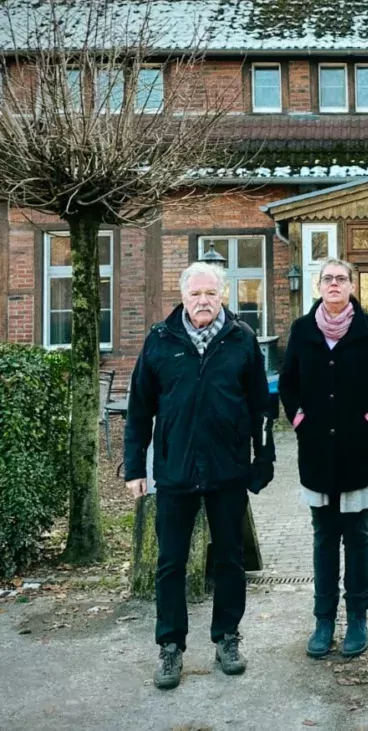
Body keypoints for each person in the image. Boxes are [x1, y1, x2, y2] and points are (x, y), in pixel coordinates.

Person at [124, 261, 275, 690]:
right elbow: (138, 411)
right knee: (170, 562)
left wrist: (262, 462)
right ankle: (170, 646)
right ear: (183, 297)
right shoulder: (160, 341)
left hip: (227, 470)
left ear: (223, 296)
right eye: (195, 295)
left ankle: (227, 637)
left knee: (229, 558)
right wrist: (135, 467)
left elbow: (262, 409)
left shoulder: (241, 341)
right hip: (174, 471)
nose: (203, 301)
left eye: (210, 294)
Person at [279, 258, 368, 659]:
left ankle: (358, 618)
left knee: (358, 535)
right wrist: (298, 418)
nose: (334, 284)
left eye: (341, 278)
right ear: (318, 286)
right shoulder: (302, 329)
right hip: (316, 450)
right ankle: (323, 619)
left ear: (352, 286)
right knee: (323, 536)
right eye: (328, 278)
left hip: (358, 450)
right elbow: (289, 383)